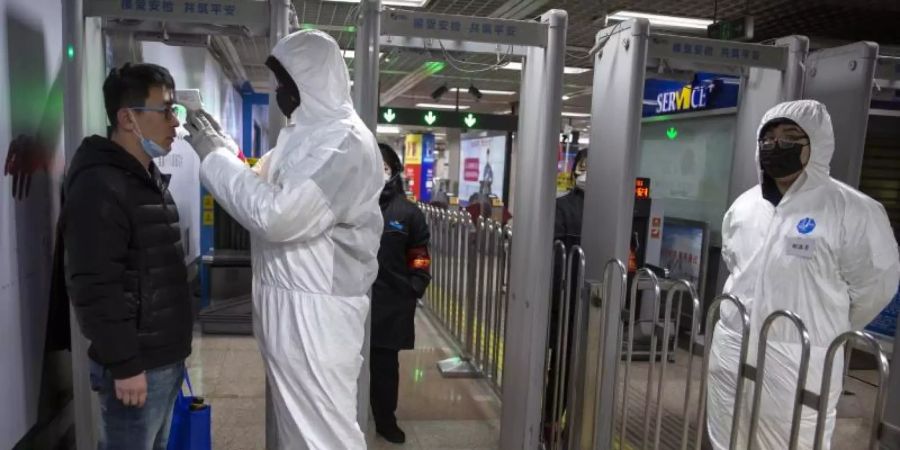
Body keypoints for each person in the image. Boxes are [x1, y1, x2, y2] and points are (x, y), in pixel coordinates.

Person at [184, 29, 383, 449]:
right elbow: (262, 183)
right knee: (299, 432)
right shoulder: (304, 135)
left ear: (309, 82)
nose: (279, 92)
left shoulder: (345, 142)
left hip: (317, 311)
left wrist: (214, 156)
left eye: (285, 82)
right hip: (289, 300)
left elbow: (277, 216)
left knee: (322, 437)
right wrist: (225, 148)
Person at [707, 100, 900, 450]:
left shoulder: (853, 211)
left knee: (792, 441)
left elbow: (876, 286)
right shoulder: (745, 206)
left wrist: (825, 325)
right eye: (768, 140)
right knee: (725, 438)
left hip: (799, 361)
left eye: (790, 137)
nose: (776, 147)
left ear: (817, 144)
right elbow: (734, 262)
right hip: (733, 348)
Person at [62, 63, 193, 450]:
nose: (175, 123)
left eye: (176, 112)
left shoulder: (145, 177)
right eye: (166, 111)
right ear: (127, 118)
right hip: (137, 367)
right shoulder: (100, 184)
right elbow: (95, 283)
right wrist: (124, 364)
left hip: (162, 359)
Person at [370, 143, 431, 443]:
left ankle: (385, 419)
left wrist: (415, 286)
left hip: (390, 303)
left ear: (393, 170)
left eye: (383, 165)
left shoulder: (408, 213)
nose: (378, 171)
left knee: (384, 366)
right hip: (351, 301)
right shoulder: (349, 205)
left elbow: (419, 255)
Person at [543, 148, 587, 443]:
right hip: (568, 302)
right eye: (583, 165)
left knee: (591, 367)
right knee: (563, 364)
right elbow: (555, 256)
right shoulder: (563, 207)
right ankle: (549, 420)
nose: (587, 171)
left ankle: (583, 421)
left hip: (599, 304)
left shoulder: (615, 207)